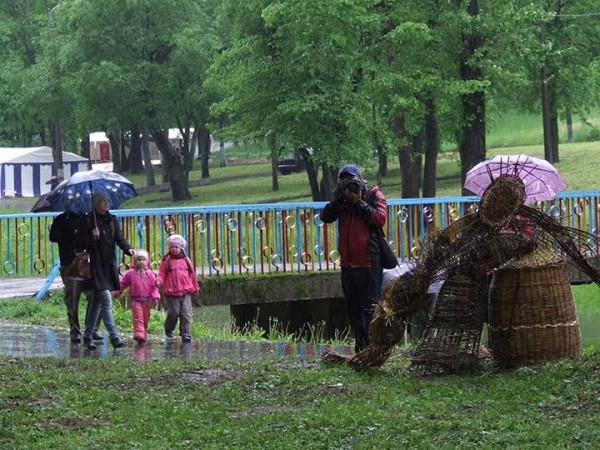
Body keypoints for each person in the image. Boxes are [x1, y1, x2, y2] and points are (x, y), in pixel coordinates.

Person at [320, 164, 388, 352]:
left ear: (360, 181)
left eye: (351, 180)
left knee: (370, 310)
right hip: (348, 266)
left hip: (369, 264)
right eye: (344, 181)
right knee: (353, 310)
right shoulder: (341, 202)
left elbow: (380, 218)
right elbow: (325, 216)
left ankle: (373, 349)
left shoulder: (374, 196)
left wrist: (359, 202)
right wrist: (339, 199)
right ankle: (361, 348)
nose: (348, 185)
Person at [78, 192, 135, 349]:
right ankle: (114, 337)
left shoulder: (112, 220)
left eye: (107, 201)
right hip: (94, 266)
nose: (106, 203)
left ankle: (88, 336)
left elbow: (119, 238)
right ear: (95, 204)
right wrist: (91, 237)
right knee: (106, 300)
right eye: (102, 201)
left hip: (107, 264)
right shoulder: (88, 220)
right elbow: (79, 242)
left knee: (96, 303)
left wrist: (128, 249)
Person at [49, 209, 101, 344]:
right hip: (69, 264)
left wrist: (95, 235)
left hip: (87, 264)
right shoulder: (61, 219)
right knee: (72, 300)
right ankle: (75, 331)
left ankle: (92, 329)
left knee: (95, 296)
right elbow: (53, 236)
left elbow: (94, 241)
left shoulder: (89, 218)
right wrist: (73, 235)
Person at [156, 234, 200, 343]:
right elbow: (162, 273)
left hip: (185, 291)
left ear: (181, 248)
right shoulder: (167, 260)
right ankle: (169, 328)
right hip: (172, 291)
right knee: (174, 312)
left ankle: (186, 333)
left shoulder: (187, 260)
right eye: (172, 247)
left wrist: (195, 287)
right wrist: (159, 281)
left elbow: (192, 275)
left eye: (176, 247)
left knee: (186, 313)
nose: (174, 249)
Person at [114, 249, 160, 344]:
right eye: (139, 260)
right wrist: (117, 292)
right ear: (135, 261)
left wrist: (155, 296)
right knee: (138, 317)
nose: (141, 262)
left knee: (146, 318)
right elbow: (123, 283)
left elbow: (154, 287)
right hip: (136, 300)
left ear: (147, 261)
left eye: (144, 260)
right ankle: (139, 334)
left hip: (147, 300)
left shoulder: (150, 274)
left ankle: (143, 334)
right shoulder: (131, 273)